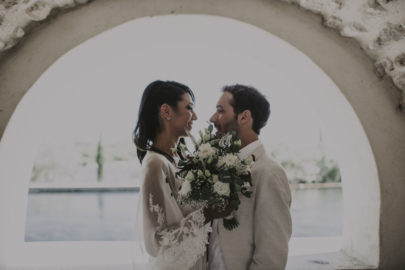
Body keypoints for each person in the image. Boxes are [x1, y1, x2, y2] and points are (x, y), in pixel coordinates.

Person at [132, 80, 229, 270]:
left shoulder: (182, 157)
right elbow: (156, 242)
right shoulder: (154, 164)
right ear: (166, 111)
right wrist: (207, 213)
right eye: (189, 108)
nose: (195, 116)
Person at [208, 84, 292, 270]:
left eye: (220, 111)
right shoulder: (218, 165)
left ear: (244, 117)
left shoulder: (269, 173)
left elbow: (271, 256)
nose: (212, 118)